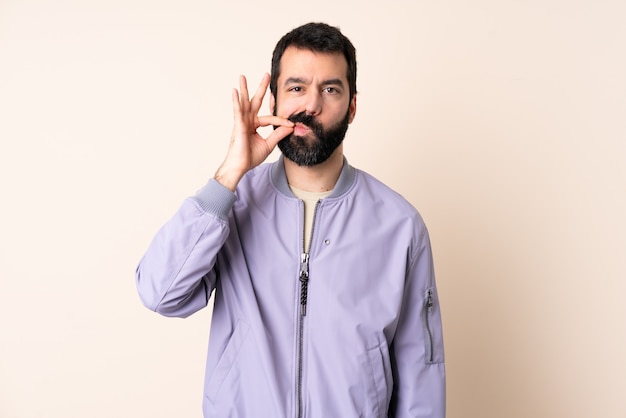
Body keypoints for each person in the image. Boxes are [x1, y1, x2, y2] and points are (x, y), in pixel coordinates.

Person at [136, 22, 445, 418]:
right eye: (296, 88)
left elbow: (422, 375)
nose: (311, 105)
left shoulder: (400, 225)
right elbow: (160, 293)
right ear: (276, 102)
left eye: (330, 89)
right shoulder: (232, 203)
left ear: (352, 105)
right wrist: (229, 175)